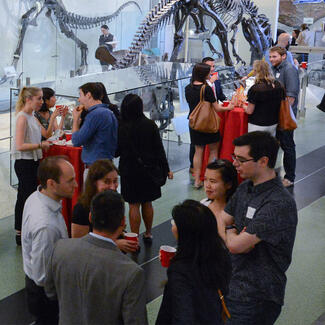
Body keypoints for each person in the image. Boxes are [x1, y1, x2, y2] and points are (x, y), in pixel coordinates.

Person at [219, 131, 297, 325]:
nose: (234, 163)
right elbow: (223, 218)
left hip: (256, 297)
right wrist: (234, 231)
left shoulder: (278, 204)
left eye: (241, 159)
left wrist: (231, 230)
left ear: (263, 161)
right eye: (234, 157)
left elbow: (235, 246)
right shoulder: (246, 187)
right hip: (230, 285)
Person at [44, 190, 148, 325]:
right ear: (122, 221)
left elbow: (50, 292)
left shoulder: (61, 249)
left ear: (90, 217)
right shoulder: (131, 273)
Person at [156, 200, 232, 324]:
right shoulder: (220, 256)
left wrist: (176, 265)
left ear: (186, 232)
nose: (173, 226)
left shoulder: (180, 270)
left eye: (175, 223)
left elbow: (183, 316)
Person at [22, 156, 77, 324]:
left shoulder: (36, 196)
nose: (75, 185)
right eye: (70, 181)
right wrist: (58, 299)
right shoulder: (46, 226)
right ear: (52, 183)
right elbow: (43, 276)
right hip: (45, 296)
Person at [117, 94, 173, 242]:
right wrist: (166, 169)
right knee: (147, 202)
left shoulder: (122, 127)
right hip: (149, 170)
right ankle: (148, 233)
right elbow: (159, 150)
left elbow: (116, 151)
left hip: (129, 170)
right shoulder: (150, 125)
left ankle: (134, 238)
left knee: (133, 205)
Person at [11, 87, 51, 245]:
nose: (42, 102)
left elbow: (46, 133)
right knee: (25, 197)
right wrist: (40, 145)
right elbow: (19, 145)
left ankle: (24, 230)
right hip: (24, 163)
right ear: (28, 99)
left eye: (42, 98)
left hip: (32, 162)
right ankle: (21, 231)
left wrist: (55, 117)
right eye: (39, 99)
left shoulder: (31, 116)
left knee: (26, 196)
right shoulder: (22, 118)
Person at [71, 159, 138, 253]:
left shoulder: (115, 202)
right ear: (94, 183)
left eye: (115, 181)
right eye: (107, 182)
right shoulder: (82, 209)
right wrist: (115, 244)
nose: (113, 186)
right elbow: (79, 246)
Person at [185, 63, 233, 189]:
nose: (210, 73)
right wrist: (230, 107)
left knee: (198, 151)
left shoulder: (187, 88)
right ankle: (209, 177)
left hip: (194, 123)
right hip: (208, 123)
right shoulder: (206, 89)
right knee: (213, 150)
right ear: (203, 74)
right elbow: (217, 108)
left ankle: (196, 180)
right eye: (208, 72)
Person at [269, 46, 300, 187]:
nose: (271, 59)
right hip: (275, 115)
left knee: (287, 146)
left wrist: (283, 113)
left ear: (283, 56)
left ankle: (290, 177)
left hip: (285, 116)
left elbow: (291, 96)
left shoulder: (289, 70)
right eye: (270, 57)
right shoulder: (275, 69)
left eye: (274, 57)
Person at [71, 82, 118, 171]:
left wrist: (75, 119)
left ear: (88, 95)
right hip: (105, 163)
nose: (79, 100)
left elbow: (76, 141)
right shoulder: (108, 112)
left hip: (96, 167)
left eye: (80, 95)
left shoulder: (95, 114)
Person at [245, 60, 285, 136]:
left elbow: (249, 111)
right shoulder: (279, 85)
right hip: (274, 123)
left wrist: (243, 106)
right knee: (268, 146)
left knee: (256, 146)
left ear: (256, 71)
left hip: (257, 124)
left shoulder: (256, 89)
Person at [201, 160, 238, 231]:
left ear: (228, 184)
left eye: (213, 181)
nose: (207, 185)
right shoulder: (203, 204)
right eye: (205, 179)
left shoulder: (236, 213)